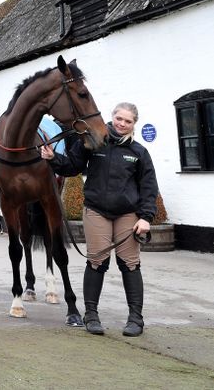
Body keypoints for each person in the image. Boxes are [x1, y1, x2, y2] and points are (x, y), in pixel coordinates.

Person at [41, 102, 158, 337]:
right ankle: (91, 315)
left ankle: (136, 318)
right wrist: (53, 158)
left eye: (128, 121)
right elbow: (72, 166)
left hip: (128, 214)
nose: (122, 124)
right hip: (96, 211)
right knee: (97, 261)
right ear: (112, 117)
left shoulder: (139, 152)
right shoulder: (94, 142)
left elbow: (148, 187)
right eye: (119, 118)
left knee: (130, 264)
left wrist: (146, 218)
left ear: (134, 124)